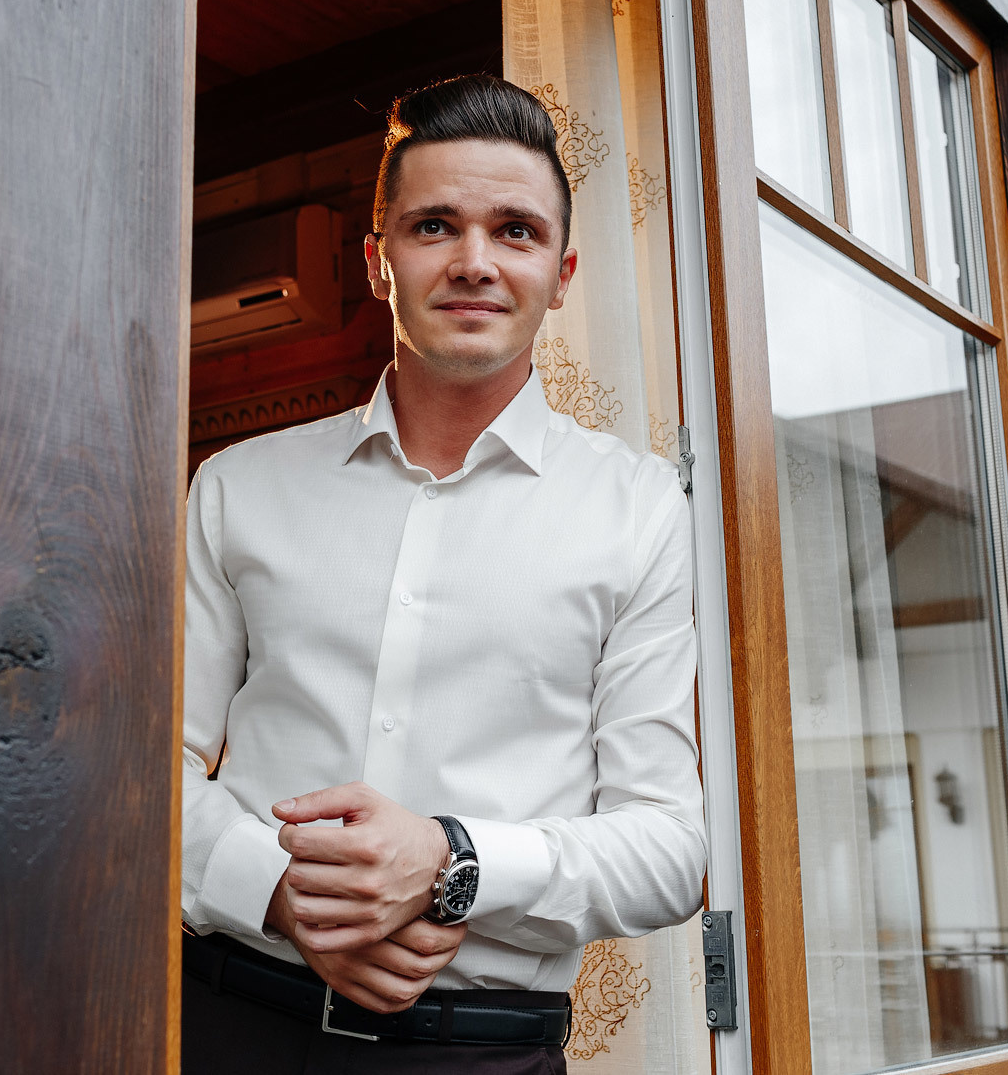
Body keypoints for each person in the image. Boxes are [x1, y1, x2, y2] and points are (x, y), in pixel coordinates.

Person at [181, 74, 706, 1073]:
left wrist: (449, 860)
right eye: (433, 226)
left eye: (515, 230)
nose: (473, 262)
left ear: (561, 272)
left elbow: (666, 848)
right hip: (223, 1030)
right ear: (379, 263)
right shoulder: (234, 487)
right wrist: (276, 890)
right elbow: (139, 775)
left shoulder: (637, 510)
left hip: (482, 1058)